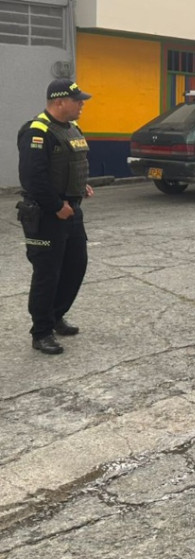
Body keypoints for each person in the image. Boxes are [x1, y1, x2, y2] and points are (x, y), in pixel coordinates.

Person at [16, 79, 95, 356]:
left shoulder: (72, 129)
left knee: (76, 266)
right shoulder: (37, 132)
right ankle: (41, 332)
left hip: (72, 211)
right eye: (78, 100)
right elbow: (32, 178)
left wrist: (79, 186)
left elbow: (70, 166)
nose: (82, 104)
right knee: (47, 274)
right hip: (46, 215)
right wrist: (55, 205)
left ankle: (56, 315)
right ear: (59, 102)